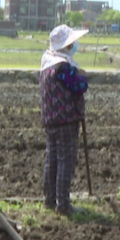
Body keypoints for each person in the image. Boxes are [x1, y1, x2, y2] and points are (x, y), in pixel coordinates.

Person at [40, 24, 90, 216]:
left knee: (51, 159)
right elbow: (79, 87)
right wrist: (82, 77)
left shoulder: (47, 63)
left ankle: (50, 199)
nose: (75, 45)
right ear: (66, 46)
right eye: (72, 43)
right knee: (65, 160)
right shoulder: (63, 67)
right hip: (66, 119)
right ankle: (63, 203)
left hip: (50, 119)